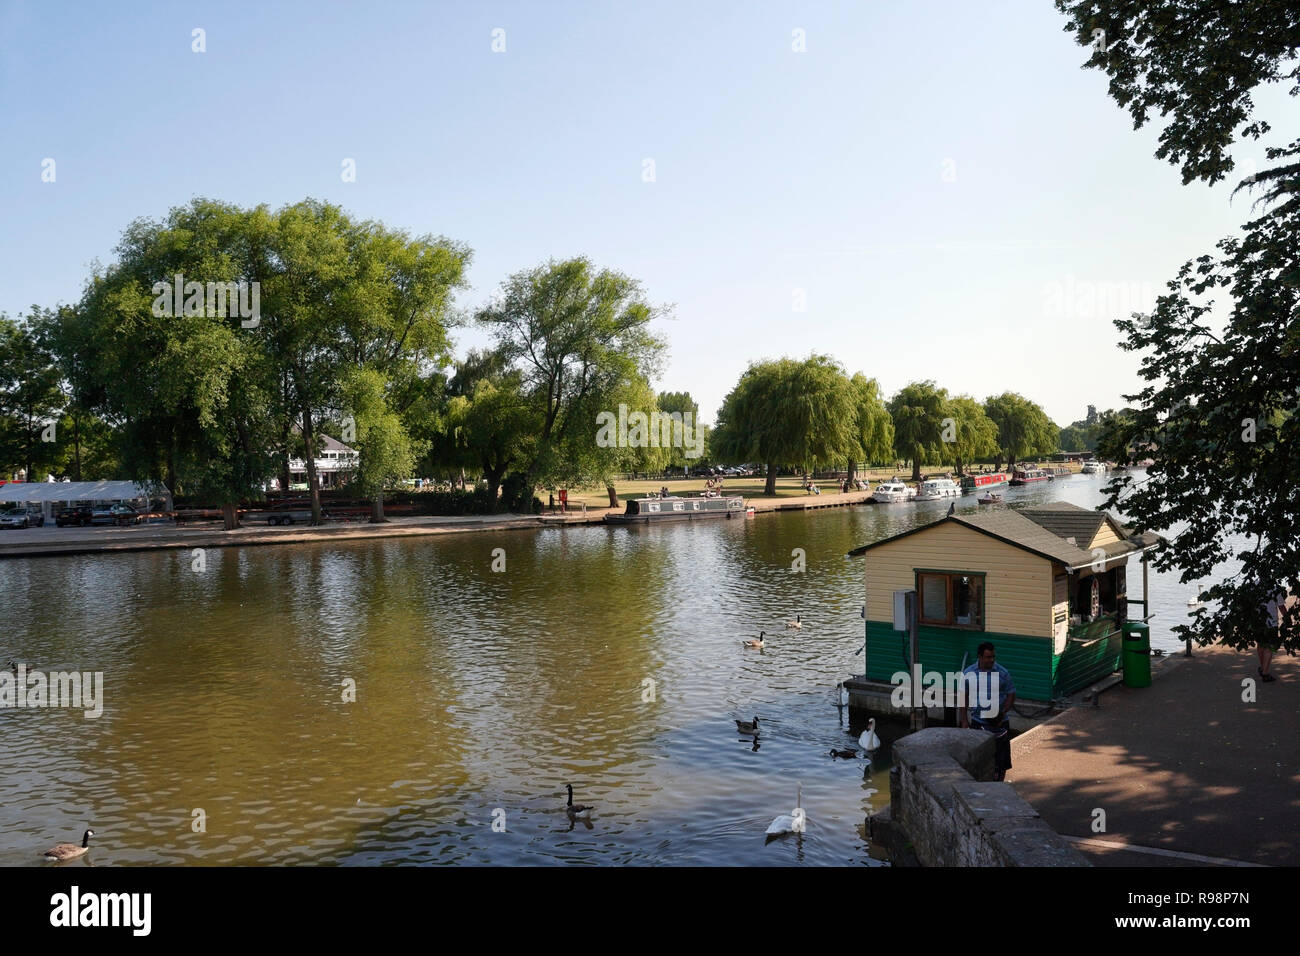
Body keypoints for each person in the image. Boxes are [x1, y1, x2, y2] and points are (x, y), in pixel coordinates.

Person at [960, 642, 1016, 781]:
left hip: (1000, 723)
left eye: (993, 657)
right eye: (988, 657)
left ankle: (999, 785)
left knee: (1001, 760)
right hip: (978, 722)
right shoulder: (969, 674)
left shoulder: (1002, 673)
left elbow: (1011, 693)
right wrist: (964, 721)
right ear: (980, 657)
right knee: (978, 758)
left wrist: (1002, 713)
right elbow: (963, 698)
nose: (991, 660)